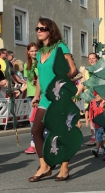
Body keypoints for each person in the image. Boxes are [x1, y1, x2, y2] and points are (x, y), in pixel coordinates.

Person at [29, 17, 77, 182]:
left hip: (59, 97)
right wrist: (36, 96)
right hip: (44, 99)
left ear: (51, 31)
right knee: (36, 131)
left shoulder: (60, 47)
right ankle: (45, 165)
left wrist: (59, 83)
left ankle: (64, 168)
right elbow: (41, 79)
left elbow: (72, 69)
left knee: (60, 132)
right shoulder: (40, 52)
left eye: (42, 29)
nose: (39, 31)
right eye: (37, 29)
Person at [74, 53, 100, 145]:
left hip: (99, 96)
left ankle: (100, 135)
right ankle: (94, 136)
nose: (92, 60)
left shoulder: (101, 69)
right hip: (89, 96)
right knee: (91, 117)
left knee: (99, 117)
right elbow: (82, 83)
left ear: (97, 59)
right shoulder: (86, 70)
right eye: (90, 59)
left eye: (93, 58)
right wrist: (76, 94)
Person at [24, 42, 38, 154]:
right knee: (32, 120)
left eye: (35, 50)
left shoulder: (41, 64)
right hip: (30, 95)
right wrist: (19, 90)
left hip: (39, 95)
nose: (34, 53)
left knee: (34, 119)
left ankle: (35, 143)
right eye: (32, 51)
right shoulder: (26, 65)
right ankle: (34, 143)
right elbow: (27, 83)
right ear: (28, 52)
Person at [90, 91, 105, 157]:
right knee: (98, 136)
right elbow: (91, 112)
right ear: (95, 96)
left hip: (102, 122)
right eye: (98, 95)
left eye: (100, 95)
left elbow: (102, 111)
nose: (99, 97)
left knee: (99, 135)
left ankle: (96, 149)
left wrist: (103, 105)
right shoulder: (92, 102)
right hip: (95, 122)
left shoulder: (104, 102)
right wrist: (90, 121)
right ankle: (103, 148)